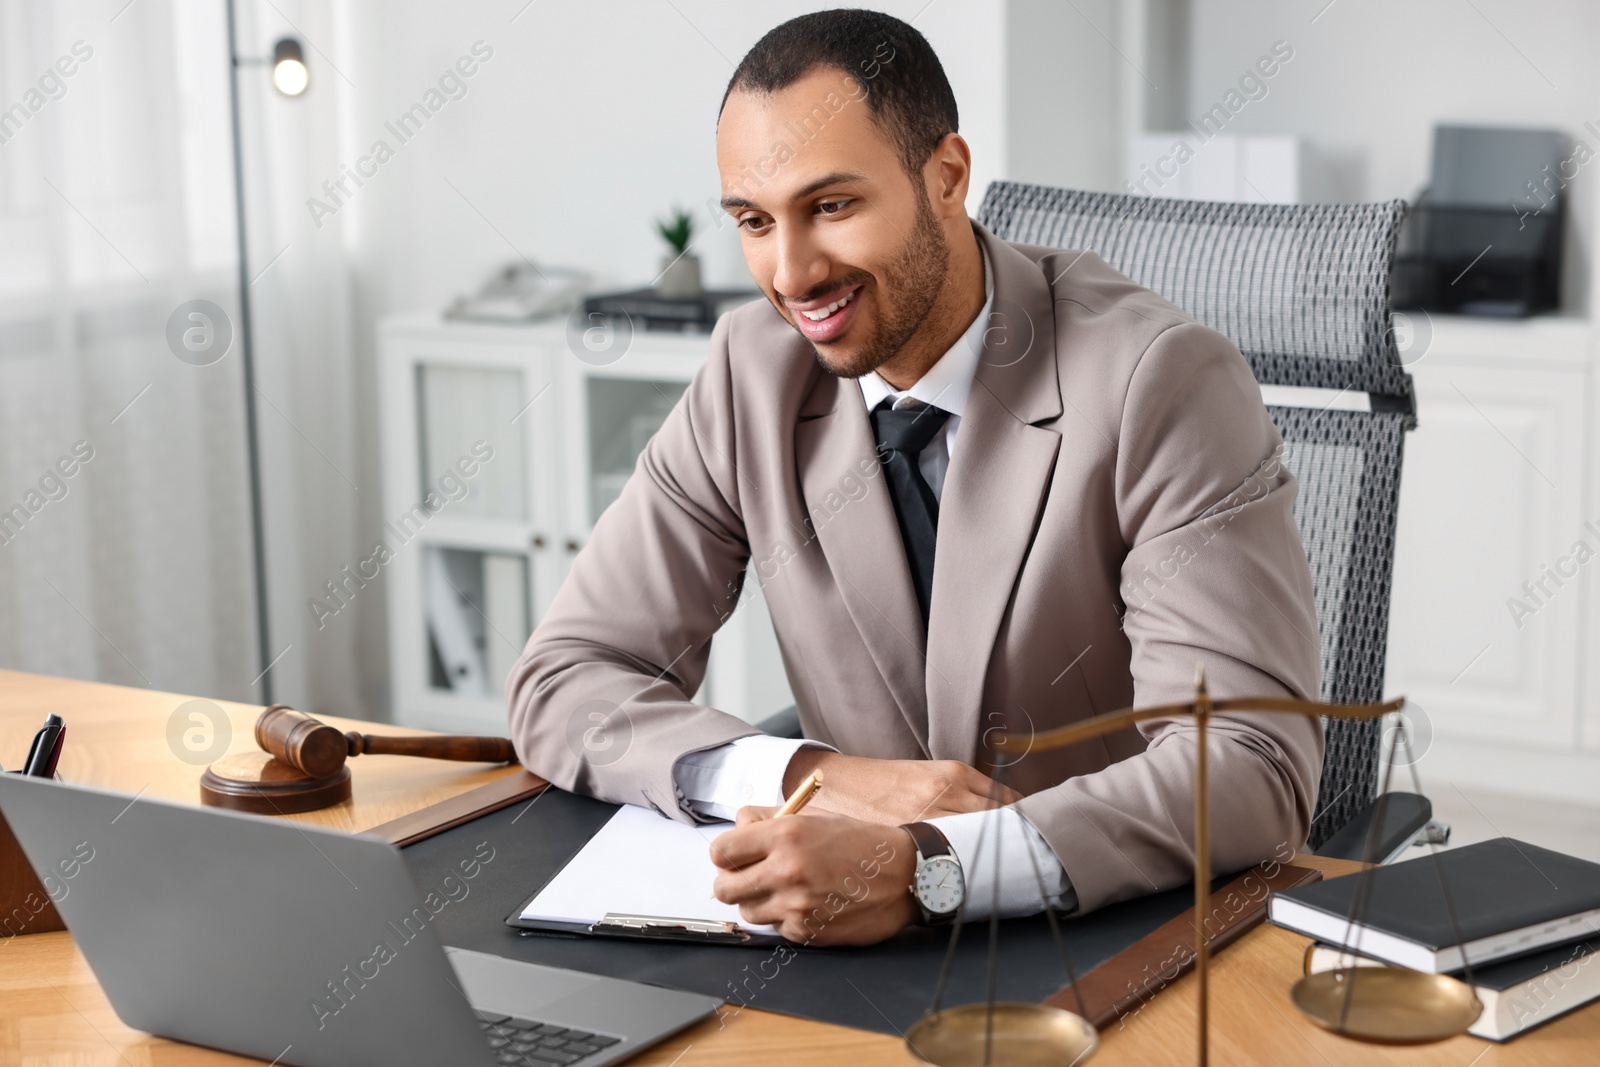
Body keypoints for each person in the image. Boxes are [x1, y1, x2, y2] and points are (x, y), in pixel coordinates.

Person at [507, 8, 1321, 946]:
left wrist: (938, 866)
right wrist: (801, 774)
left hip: (1113, 936)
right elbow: (565, 679)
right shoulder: (749, 369)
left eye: (832, 206)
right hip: (844, 941)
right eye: (754, 221)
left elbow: (1253, 764)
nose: (792, 272)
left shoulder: (1158, 381)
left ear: (947, 177)